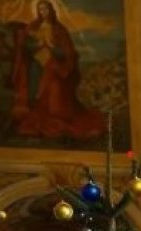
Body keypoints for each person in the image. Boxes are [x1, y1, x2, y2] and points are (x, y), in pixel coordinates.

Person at [10, 0, 104, 140]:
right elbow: (24, 44)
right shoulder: (33, 26)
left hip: (54, 65)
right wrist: (33, 44)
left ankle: (55, 113)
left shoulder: (59, 29)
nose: (43, 12)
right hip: (37, 64)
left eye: (46, 9)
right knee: (35, 81)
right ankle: (34, 108)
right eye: (40, 9)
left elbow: (68, 52)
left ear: (51, 10)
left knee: (54, 84)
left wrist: (52, 49)